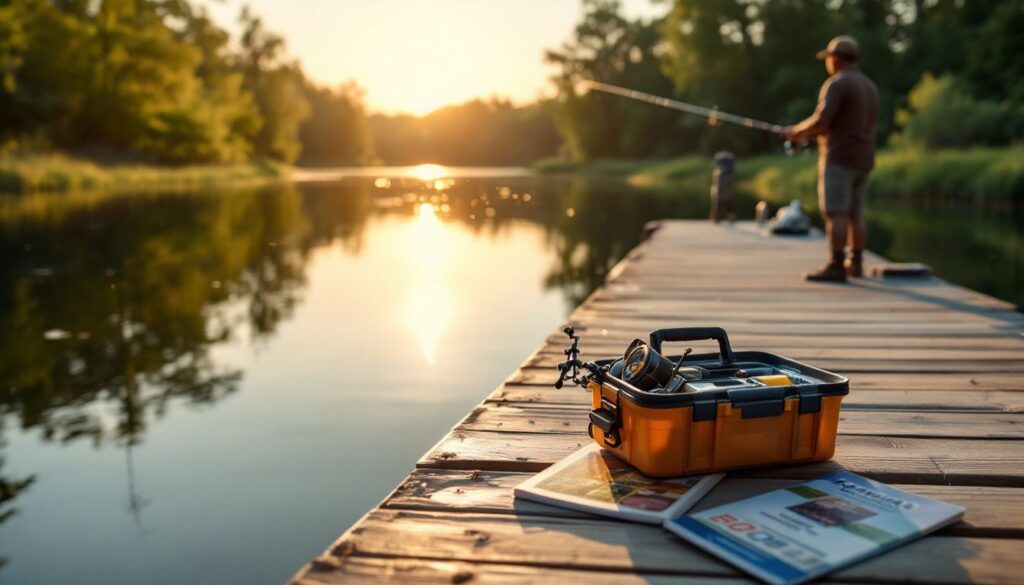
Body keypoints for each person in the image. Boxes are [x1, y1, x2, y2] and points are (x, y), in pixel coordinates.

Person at [783, 36, 880, 282]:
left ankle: (836, 266)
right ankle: (856, 263)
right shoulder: (869, 86)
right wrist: (814, 134)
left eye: (828, 57)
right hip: (864, 158)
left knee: (835, 213)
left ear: (835, 58)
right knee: (855, 215)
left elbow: (822, 119)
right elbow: (847, 125)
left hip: (839, 158)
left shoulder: (837, 84)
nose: (827, 62)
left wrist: (797, 131)